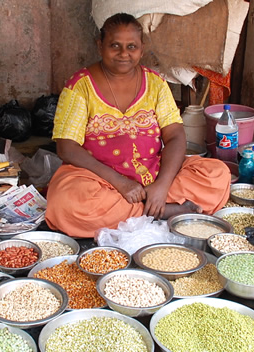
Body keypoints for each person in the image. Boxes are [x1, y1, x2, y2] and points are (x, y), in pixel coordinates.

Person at [45, 13, 231, 238]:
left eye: (131, 46)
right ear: (100, 46)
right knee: (67, 203)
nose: (124, 53)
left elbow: (175, 136)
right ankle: (161, 211)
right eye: (115, 45)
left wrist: (162, 186)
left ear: (142, 49)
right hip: (100, 179)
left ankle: (145, 208)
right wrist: (120, 183)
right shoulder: (79, 87)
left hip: (153, 174)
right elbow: (66, 147)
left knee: (217, 174)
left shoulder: (156, 84)